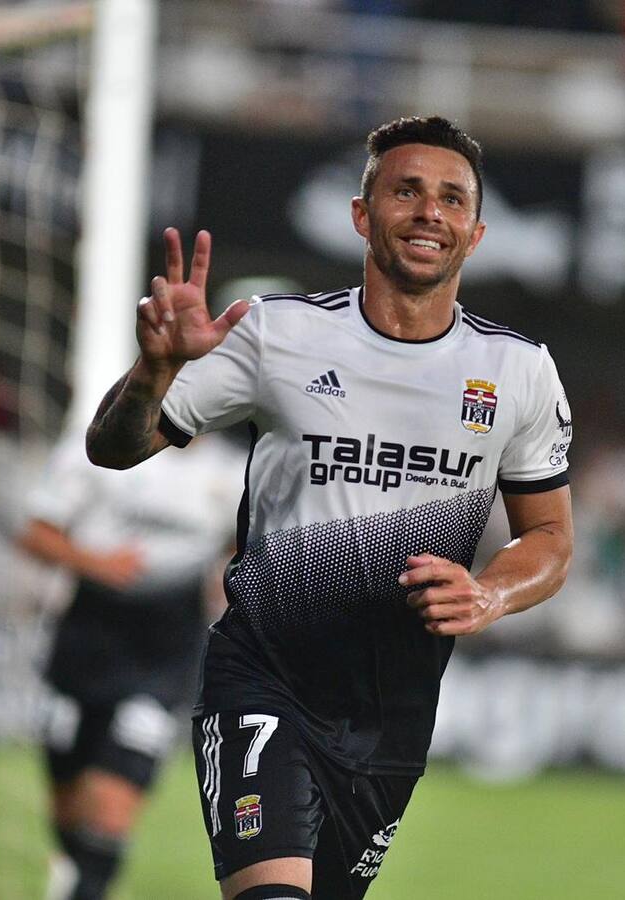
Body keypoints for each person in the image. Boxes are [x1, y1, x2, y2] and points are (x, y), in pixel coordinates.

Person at [86, 115, 574, 900]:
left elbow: (549, 537)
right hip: (263, 682)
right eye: (406, 191)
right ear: (361, 214)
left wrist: (490, 592)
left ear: (476, 234)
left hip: (391, 718)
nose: (429, 211)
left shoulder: (517, 372)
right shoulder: (277, 333)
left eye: (452, 198)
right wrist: (154, 373)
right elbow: (115, 447)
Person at [19, 429, 243, 900]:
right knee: (68, 801)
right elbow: (36, 533)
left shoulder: (233, 472)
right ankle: (77, 875)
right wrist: (95, 563)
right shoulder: (96, 448)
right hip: (88, 636)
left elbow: (244, 543)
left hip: (166, 651)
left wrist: (226, 578)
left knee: (112, 802)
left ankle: (87, 887)